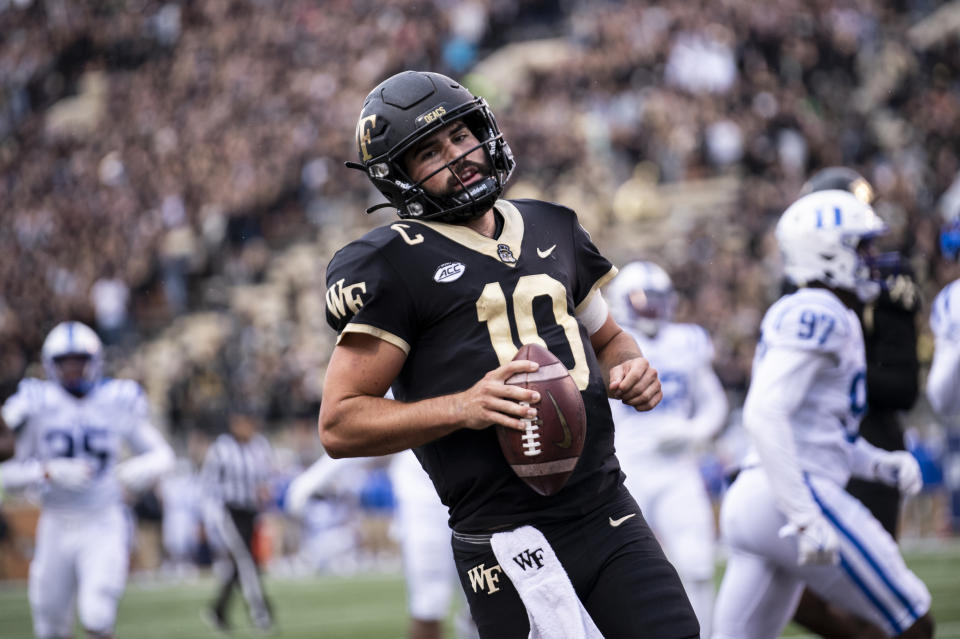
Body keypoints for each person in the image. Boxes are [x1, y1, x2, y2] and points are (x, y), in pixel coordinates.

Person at [319, 70, 698, 638]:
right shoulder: (389, 263)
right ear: (399, 178)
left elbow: (611, 338)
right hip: (503, 536)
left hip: (605, 508)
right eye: (429, 152)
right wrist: (462, 407)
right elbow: (339, 422)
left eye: (461, 136)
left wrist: (629, 366)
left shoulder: (555, 224)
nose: (458, 155)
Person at [711, 190, 934, 639]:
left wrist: (879, 464)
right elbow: (764, 412)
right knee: (913, 621)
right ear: (829, 251)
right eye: (862, 246)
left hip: (758, 497)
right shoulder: (819, 309)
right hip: (788, 496)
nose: (873, 258)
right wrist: (805, 515)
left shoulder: (833, 314)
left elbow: (819, 432)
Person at [791, 167, 922, 637]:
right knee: (792, 588)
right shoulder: (800, 283)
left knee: (879, 599)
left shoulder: (886, 276)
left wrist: (842, 381)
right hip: (811, 446)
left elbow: (901, 386)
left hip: (866, 438)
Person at [0, 320, 175, 639]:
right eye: (65, 362)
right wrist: (48, 471)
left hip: (103, 520)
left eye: (79, 361)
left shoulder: (116, 399)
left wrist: (143, 468)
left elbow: (163, 455)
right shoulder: (36, 402)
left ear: (95, 361)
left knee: (97, 612)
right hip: (55, 522)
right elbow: (6, 477)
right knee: (50, 623)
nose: (73, 370)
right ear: (50, 365)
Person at [605, 260, 728, 637]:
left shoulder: (687, 340)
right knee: (617, 573)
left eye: (657, 298)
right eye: (642, 298)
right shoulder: (606, 342)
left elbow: (714, 404)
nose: (650, 307)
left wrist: (692, 433)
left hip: (677, 468)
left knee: (697, 565)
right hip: (625, 470)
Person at [286, 448, 479, 639]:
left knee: (483, 600)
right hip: (423, 500)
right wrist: (316, 476)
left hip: (475, 491)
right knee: (427, 605)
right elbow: (365, 433)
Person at [200, 405, 275, 633]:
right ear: (234, 423)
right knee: (246, 561)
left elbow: (265, 478)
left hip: (251, 512)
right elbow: (207, 485)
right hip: (228, 511)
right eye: (244, 422)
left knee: (241, 564)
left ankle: (217, 611)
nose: (248, 427)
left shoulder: (259, 446)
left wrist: (265, 492)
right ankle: (261, 612)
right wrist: (209, 518)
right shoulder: (221, 449)